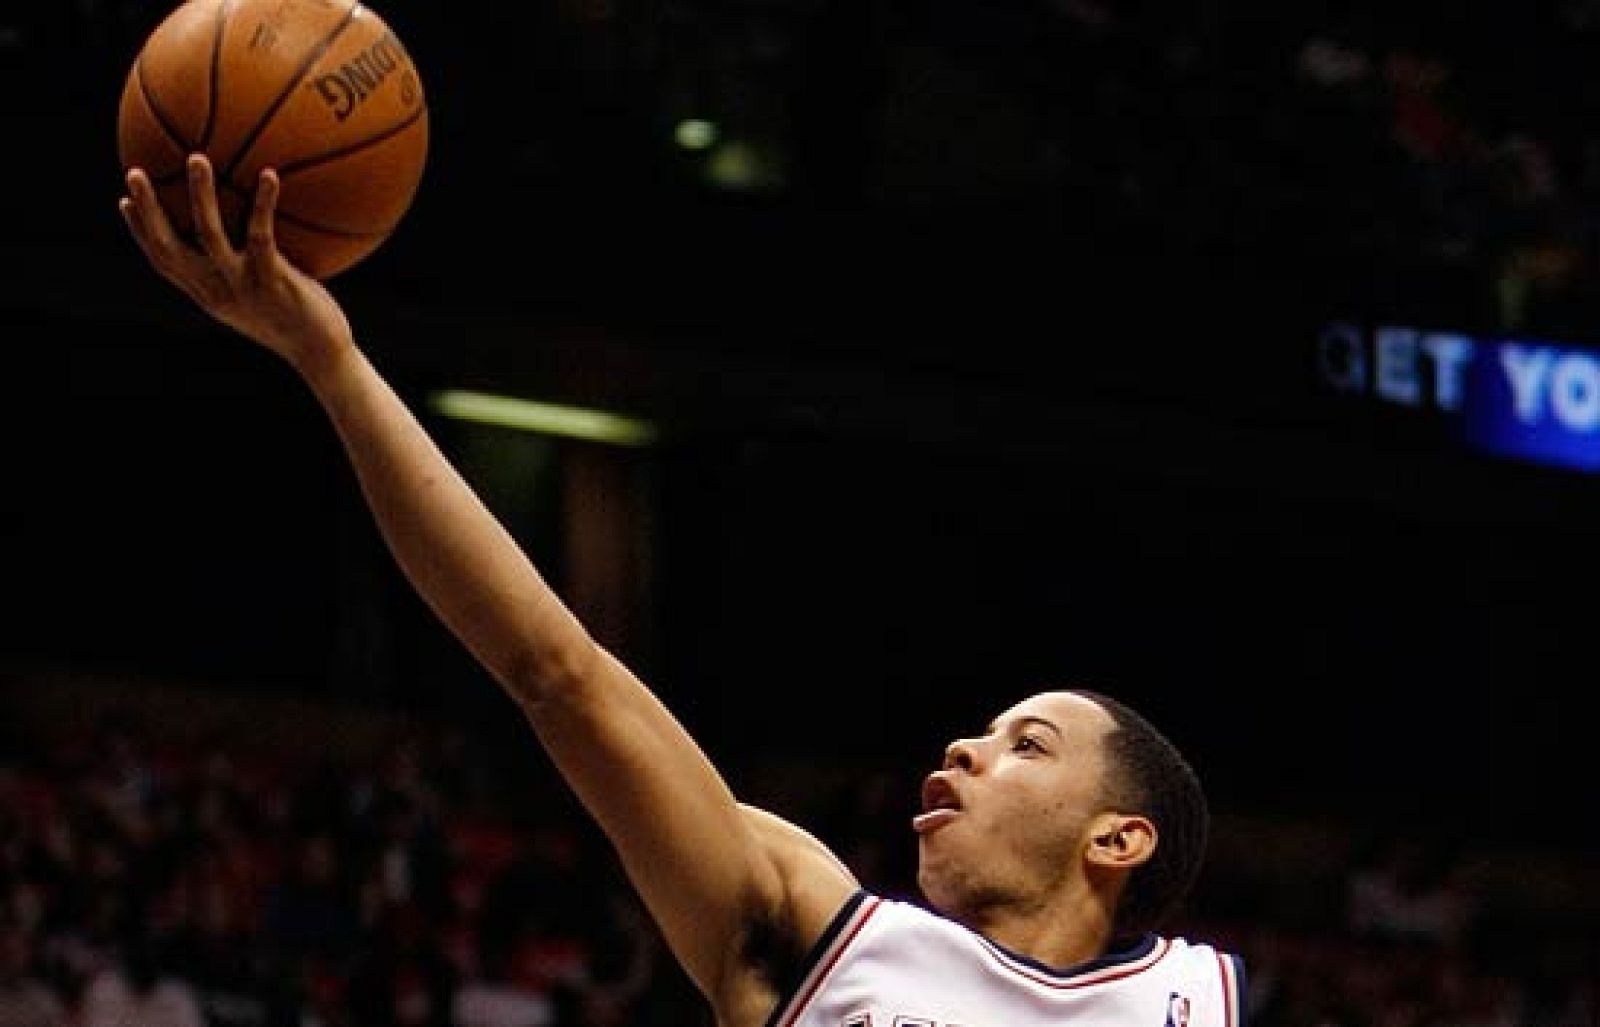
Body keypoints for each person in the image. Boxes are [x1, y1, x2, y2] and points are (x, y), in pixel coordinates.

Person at [117, 154, 1247, 1026]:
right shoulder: (816, 931)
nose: (964, 749)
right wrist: (334, 366)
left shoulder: (1199, 1001)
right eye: (988, 733)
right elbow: (557, 672)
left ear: (1118, 839)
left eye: (1027, 745)